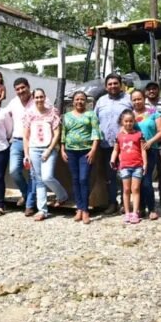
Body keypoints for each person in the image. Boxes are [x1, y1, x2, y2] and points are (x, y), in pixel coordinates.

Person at [23, 88, 68, 221]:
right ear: (33, 98)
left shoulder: (52, 112)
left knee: (47, 177)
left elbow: (57, 133)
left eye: (41, 97)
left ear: (45, 97)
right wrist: (26, 154)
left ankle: (62, 195)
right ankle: (42, 210)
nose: (39, 100)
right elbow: (25, 136)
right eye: (36, 97)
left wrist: (49, 149)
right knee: (38, 180)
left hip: (49, 149)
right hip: (34, 149)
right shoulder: (29, 114)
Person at [94, 74, 133, 214]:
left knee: (124, 175)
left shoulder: (129, 99)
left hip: (126, 145)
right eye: (110, 84)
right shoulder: (100, 101)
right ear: (106, 86)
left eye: (115, 83)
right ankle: (112, 203)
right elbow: (95, 121)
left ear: (120, 84)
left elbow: (140, 115)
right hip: (106, 145)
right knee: (110, 176)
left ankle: (125, 203)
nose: (113, 86)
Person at [61, 91, 101, 224]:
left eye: (82, 99)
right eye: (77, 99)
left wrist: (93, 150)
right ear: (73, 101)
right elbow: (63, 134)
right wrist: (62, 149)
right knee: (75, 179)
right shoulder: (66, 116)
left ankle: (85, 210)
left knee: (84, 179)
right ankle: (79, 208)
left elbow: (96, 133)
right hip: (71, 151)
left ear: (86, 101)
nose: (79, 102)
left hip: (86, 152)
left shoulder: (91, 115)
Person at [7, 77, 37, 216]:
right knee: (14, 171)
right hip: (17, 141)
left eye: (23, 88)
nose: (20, 91)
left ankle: (30, 205)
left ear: (28, 86)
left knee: (33, 174)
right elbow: (4, 115)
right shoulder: (13, 102)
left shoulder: (37, 99)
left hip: (35, 142)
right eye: (17, 89)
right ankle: (26, 194)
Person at [111, 110, 147, 224]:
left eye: (131, 121)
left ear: (134, 121)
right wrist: (112, 159)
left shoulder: (139, 135)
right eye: (126, 121)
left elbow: (143, 150)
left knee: (135, 189)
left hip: (137, 165)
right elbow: (116, 149)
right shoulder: (119, 136)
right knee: (126, 190)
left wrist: (145, 163)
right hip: (124, 166)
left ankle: (135, 212)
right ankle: (127, 212)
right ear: (122, 122)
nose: (128, 123)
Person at [133, 89, 161, 220]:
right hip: (134, 151)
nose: (137, 101)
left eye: (139, 98)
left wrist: (150, 142)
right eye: (134, 99)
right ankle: (140, 207)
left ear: (144, 98)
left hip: (151, 150)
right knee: (136, 181)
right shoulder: (130, 115)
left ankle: (151, 208)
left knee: (146, 180)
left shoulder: (153, 113)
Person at [144, 81, 161, 207]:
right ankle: (146, 198)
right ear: (146, 92)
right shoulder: (142, 105)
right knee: (145, 171)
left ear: (158, 90)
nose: (151, 91)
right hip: (145, 144)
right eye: (149, 89)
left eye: (154, 89)